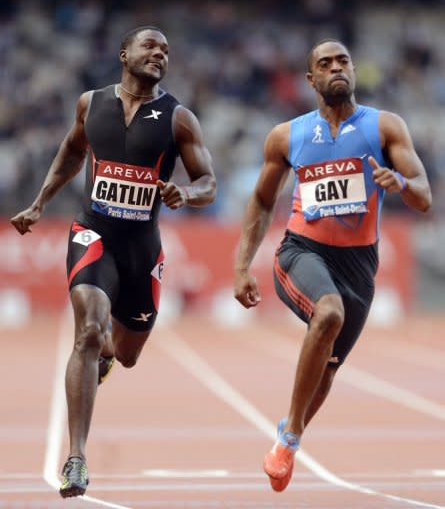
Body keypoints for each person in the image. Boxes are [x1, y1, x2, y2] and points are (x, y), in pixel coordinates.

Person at [11, 25, 216, 498]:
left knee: (124, 353)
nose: (160, 53)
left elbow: (209, 182)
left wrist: (185, 193)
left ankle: (105, 357)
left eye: (166, 49)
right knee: (88, 328)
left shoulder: (178, 119)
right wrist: (41, 202)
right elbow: (71, 151)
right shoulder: (91, 103)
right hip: (92, 234)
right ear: (125, 53)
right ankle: (77, 458)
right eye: (150, 46)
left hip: (142, 249)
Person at [234, 39, 432, 493]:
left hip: (359, 264)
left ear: (353, 70)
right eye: (325, 63)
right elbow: (263, 201)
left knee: (328, 369)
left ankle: (290, 433)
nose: (336, 68)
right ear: (311, 80)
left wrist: (400, 181)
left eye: (343, 61)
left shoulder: (385, 127)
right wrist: (241, 265)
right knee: (328, 313)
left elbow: (424, 196)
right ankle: (288, 438)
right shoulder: (288, 135)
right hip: (302, 251)